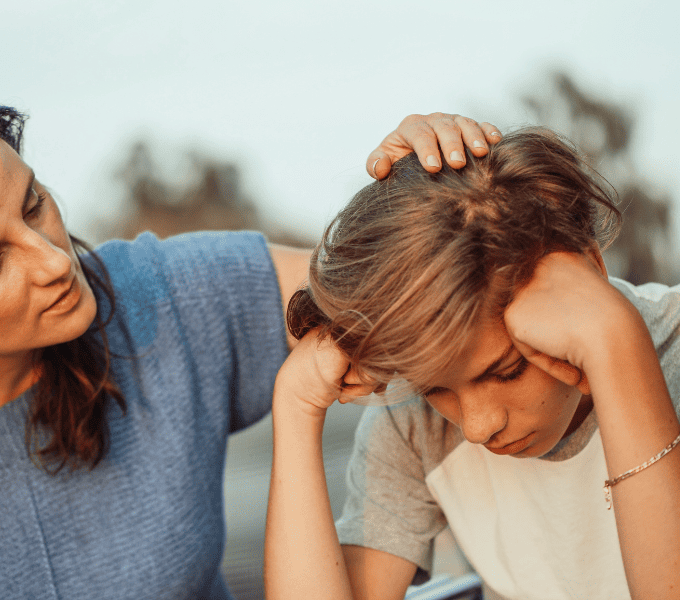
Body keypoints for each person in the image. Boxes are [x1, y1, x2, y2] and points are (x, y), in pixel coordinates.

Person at [0, 89, 499, 599]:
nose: (52, 262)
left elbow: (420, 284)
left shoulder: (163, 297)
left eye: (34, 205)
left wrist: (441, 191)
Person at [265, 128, 680, 600]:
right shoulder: (414, 426)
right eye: (434, 389)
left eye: (505, 370)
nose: (479, 427)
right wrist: (295, 407)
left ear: (589, 268)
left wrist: (616, 345)